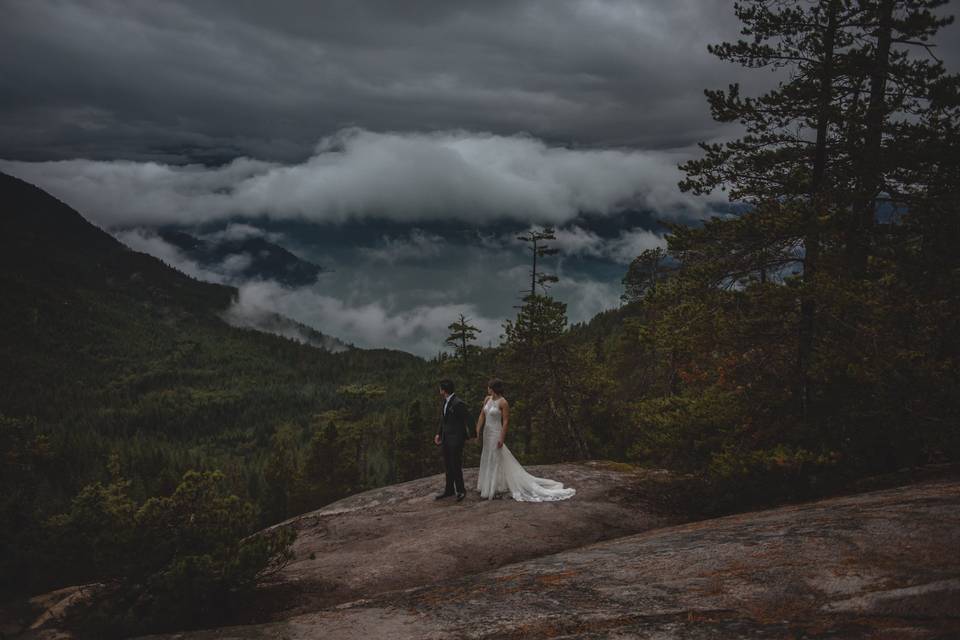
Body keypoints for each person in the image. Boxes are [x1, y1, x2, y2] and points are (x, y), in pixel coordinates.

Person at [476, 378, 575, 502]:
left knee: (496, 457)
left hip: (496, 432)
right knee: (488, 456)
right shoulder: (487, 399)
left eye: (489, 387)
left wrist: (502, 437)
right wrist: (478, 430)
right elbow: (482, 415)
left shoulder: (503, 402)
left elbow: (506, 422)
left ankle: (495, 487)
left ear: (493, 388)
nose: (487, 389)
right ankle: (490, 484)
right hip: (487, 432)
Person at [434, 378, 470, 502]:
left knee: (456, 465)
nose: (439, 390)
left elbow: (468, 419)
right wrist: (439, 434)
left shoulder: (458, 403)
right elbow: (443, 420)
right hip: (446, 439)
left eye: (440, 388)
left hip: (456, 440)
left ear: (444, 390)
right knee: (448, 466)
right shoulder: (445, 401)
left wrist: (470, 436)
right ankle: (449, 490)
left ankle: (461, 490)